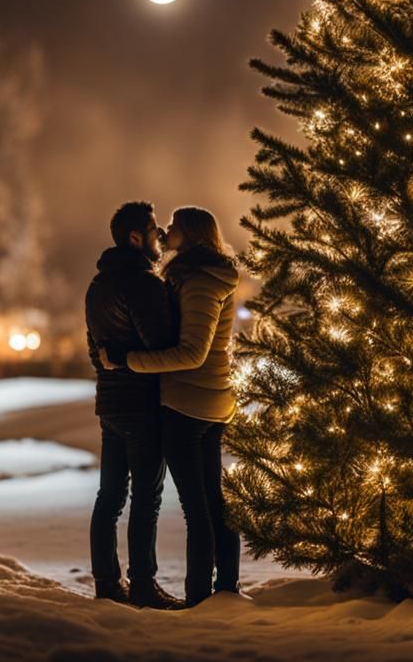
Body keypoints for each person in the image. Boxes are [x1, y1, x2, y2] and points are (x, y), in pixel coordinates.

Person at [101, 206, 241, 607]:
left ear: (192, 235)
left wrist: (128, 360)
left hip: (188, 404)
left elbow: (192, 353)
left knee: (198, 509)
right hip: (208, 401)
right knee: (211, 503)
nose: (166, 230)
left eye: (175, 226)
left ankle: (201, 598)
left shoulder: (198, 282)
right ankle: (226, 588)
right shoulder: (202, 275)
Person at [85, 200, 184, 610]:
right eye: (155, 229)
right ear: (135, 237)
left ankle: (107, 583)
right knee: (146, 495)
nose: (161, 236)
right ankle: (143, 585)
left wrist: (112, 363)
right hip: (142, 402)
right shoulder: (143, 283)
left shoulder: (97, 286)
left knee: (110, 496)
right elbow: (158, 344)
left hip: (110, 402)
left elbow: (95, 351)